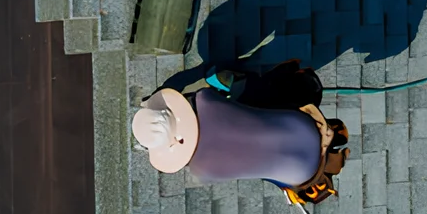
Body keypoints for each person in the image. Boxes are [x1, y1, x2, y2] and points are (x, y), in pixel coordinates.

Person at [130, 84, 349, 206]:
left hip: (305, 172)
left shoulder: (204, 170)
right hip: (304, 125)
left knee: (257, 161)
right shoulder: (205, 98)